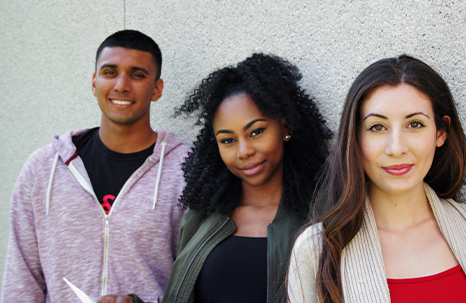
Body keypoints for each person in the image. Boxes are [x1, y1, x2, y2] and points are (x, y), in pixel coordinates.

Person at [99, 53, 332, 303]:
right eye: (228, 140)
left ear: (285, 127)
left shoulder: (323, 218)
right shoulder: (198, 221)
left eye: (256, 132)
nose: (244, 151)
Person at [287, 55, 466, 303]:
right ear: (355, 138)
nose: (396, 148)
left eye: (415, 124)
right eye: (377, 127)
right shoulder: (316, 250)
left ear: (441, 132)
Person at [1, 30, 189, 303]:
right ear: (94, 82)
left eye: (137, 74)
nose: (121, 85)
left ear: (157, 89)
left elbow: (199, 283)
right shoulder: (42, 168)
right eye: (110, 72)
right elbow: (21, 279)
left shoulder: (186, 170)